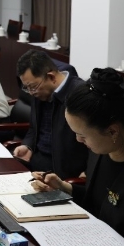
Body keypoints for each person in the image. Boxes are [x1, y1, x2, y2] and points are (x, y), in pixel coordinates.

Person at [31, 68, 124, 245]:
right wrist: (63, 187)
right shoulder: (105, 147)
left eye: (82, 135)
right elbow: (98, 201)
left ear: (112, 131)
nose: (78, 140)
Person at [14, 50, 87, 179]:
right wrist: (28, 145)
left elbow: (95, 140)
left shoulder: (80, 95)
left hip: (61, 172)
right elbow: (34, 128)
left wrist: (88, 171)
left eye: (32, 87)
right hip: (35, 162)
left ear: (52, 77)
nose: (31, 92)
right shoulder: (39, 92)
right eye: (27, 88)